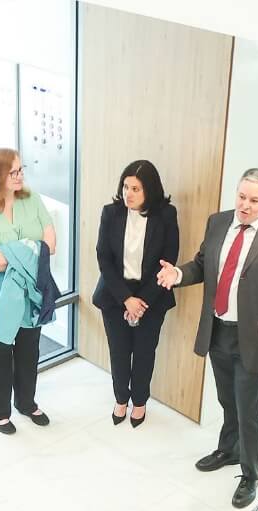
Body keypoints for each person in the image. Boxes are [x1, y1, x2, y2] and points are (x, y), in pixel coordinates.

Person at [156, 168, 258, 508]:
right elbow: (201, 264)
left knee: (249, 408)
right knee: (227, 399)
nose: (245, 205)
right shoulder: (218, 222)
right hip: (218, 330)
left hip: (253, 337)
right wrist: (178, 273)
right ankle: (228, 449)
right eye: (241, 197)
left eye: (254, 200)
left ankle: (252, 474)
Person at [0, 147, 56, 435]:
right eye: (13, 172)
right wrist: (26, 252)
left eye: (21, 170)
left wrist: (9, 256)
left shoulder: (33, 201)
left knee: (29, 348)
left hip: (30, 290)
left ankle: (26, 403)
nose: (20, 176)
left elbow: (50, 245)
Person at [93, 159, 179, 428]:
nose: (128, 193)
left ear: (149, 191)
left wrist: (141, 301)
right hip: (115, 294)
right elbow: (104, 258)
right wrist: (126, 299)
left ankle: (139, 402)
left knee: (144, 352)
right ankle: (121, 399)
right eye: (126, 186)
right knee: (118, 352)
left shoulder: (166, 215)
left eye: (136, 189)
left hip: (151, 295)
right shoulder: (111, 213)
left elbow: (169, 259)